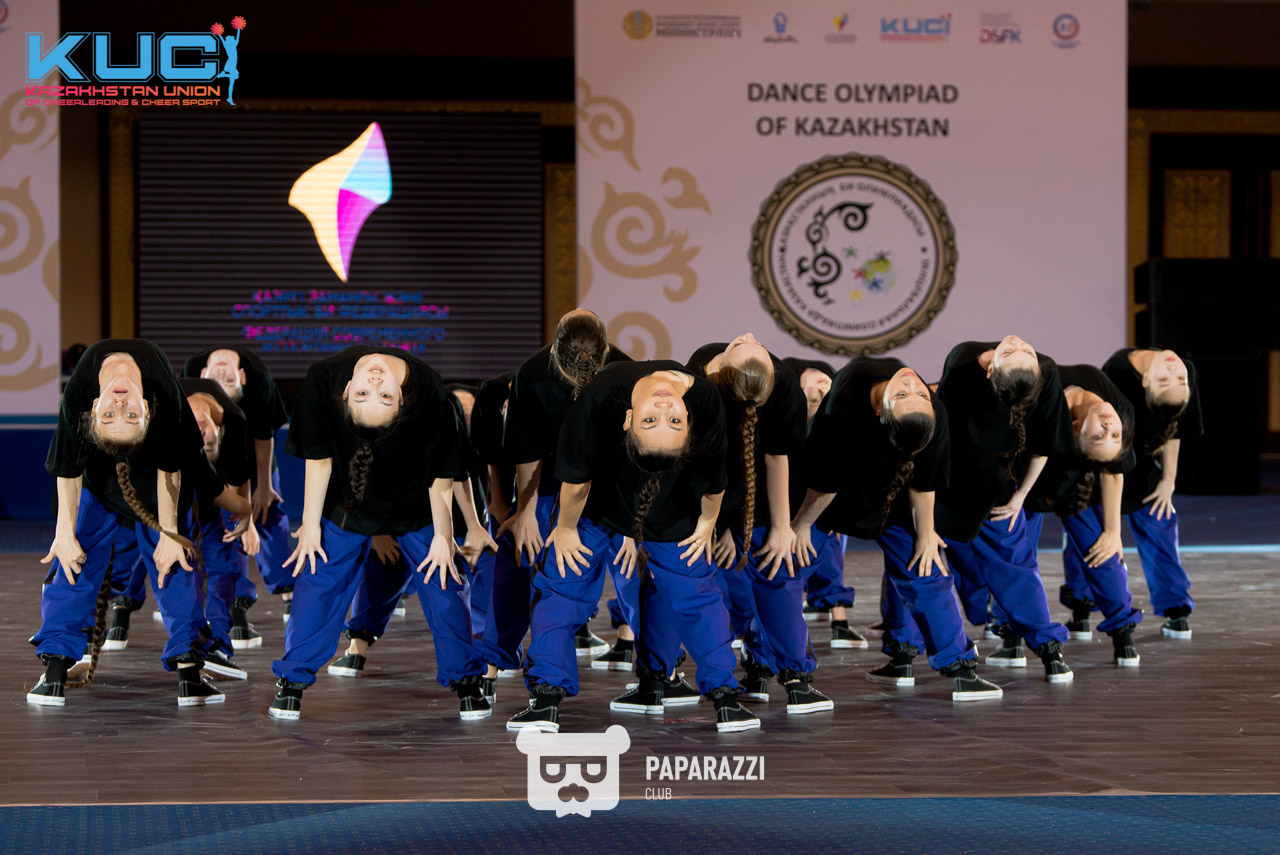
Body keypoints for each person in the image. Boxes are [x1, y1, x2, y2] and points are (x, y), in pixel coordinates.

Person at [507, 360, 760, 733]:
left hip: (672, 513)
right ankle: (546, 701)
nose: (664, 408)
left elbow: (714, 479)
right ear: (627, 419)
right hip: (598, 507)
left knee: (696, 601)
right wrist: (565, 528)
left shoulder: (705, 401)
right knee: (561, 589)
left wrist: (707, 525)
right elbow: (576, 481)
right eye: (653, 421)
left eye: (673, 422)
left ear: (690, 423)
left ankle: (723, 700)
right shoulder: (600, 395)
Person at [268, 346, 489, 721]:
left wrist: (442, 535)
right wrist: (309, 525)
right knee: (319, 579)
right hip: (348, 501)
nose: (373, 381)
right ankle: (292, 682)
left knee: (444, 580)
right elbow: (319, 460)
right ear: (344, 392)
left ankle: (466, 681)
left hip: (414, 504)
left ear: (403, 400)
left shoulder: (428, 389)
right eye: (364, 393)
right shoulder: (322, 379)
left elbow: (441, 473)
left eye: (384, 395)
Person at [29, 339, 249, 707]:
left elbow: (171, 470)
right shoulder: (78, 397)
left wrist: (169, 534)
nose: (119, 406)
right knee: (72, 558)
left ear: (147, 408)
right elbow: (67, 471)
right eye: (111, 415)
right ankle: (55, 671)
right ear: (93, 408)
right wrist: (64, 534)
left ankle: (189, 672)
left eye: (130, 415)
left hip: (158, 487)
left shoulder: (166, 398)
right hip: (99, 485)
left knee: (174, 563)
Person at [792, 356, 1002, 701]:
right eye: (905, 394)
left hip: (892, 494)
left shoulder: (932, 414)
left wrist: (926, 533)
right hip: (836, 494)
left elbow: (925, 482)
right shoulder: (847, 394)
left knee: (926, 567)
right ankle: (779, 671)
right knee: (784, 571)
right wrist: (801, 525)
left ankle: (951, 668)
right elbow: (825, 481)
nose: (912, 384)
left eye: (916, 394)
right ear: (879, 411)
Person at [690, 336, 834, 713]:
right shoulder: (700, 381)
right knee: (720, 584)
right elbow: (708, 466)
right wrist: (721, 525)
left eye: (753, 345)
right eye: (746, 345)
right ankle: (743, 668)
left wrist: (783, 526)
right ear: (721, 372)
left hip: (764, 493)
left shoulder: (783, 384)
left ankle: (795, 678)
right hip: (713, 493)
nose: (748, 335)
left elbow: (776, 458)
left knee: (778, 570)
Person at [495, 310, 634, 673]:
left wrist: (633, 525)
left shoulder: (626, 374)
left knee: (633, 558)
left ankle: (653, 664)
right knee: (518, 547)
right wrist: (525, 512)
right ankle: (498, 657)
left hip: (613, 482)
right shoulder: (531, 374)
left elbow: (632, 459)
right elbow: (526, 451)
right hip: (550, 478)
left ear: (605, 352)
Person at [933, 336, 1077, 685]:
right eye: (1013, 352)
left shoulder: (1044, 370)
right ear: (990, 372)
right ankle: (975, 629)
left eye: (1025, 352)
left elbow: (1045, 443)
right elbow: (942, 439)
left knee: (1015, 566)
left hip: (999, 487)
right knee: (949, 563)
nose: (1019, 344)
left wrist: (1019, 498)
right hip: (954, 485)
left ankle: (1049, 650)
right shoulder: (962, 364)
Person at [1017, 364, 1142, 667]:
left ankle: (1123, 634)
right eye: (1104, 434)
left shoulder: (1118, 414)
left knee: (1101, 549)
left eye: (1110, 435)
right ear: (1073, 426)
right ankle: (1014, 637)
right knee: (1017, 555)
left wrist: (1113, 531)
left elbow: (1112, 472)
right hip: (1028, 475)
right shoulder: (1056, 391)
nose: (1110, 426)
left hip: (1077, 481)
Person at [182, 346, 292, 636]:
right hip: (209, 455)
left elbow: (264, 436)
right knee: (227, 525)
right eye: (217, 380)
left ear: (242, 377)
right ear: (202, 374)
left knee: (265, 511)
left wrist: (264, 486)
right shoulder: (190, 377)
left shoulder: (258, 381)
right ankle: (231, 602)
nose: (221, 378)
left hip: (252, 456)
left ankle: (287, 591)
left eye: (229, 381)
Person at [1101, 347, 1202, 639]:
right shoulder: (1117, 370)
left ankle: (1176, 610)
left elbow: (1174, 428)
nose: (1175, 372)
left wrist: (1168, 480)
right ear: (1146, 380)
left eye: (1178, 379)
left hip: (1145, 468)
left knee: (1160, 524)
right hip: (1108, 467)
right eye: (1167, 379)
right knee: (1096, 538)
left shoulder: (1185, 371)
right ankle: (1082, 607)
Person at [783, 356, 862, 647]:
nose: (819, 387)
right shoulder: (786, 413)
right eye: (813, 395)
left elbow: (840, 477)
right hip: (787, 504)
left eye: (824, 391)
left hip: (820, 506)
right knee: (787, 564)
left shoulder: (833, 423)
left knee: (827, 550)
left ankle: (838, 621)